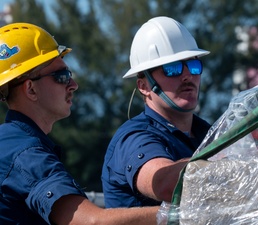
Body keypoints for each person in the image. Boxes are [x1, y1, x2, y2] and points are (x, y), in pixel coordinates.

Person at [0, 22, 158, 225]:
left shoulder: (9, 144)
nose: (73, 85)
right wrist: (177, 216)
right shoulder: (25, 154)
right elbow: (91, 222)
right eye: (62, 76)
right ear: (30, 89)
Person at [101, 16, 211, 208]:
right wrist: (229, 166)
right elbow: (165, 184)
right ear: (143, 86)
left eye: (194, 66)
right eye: (172, 68)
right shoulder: (135, 138)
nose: (187, 76)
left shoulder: (208, 133)